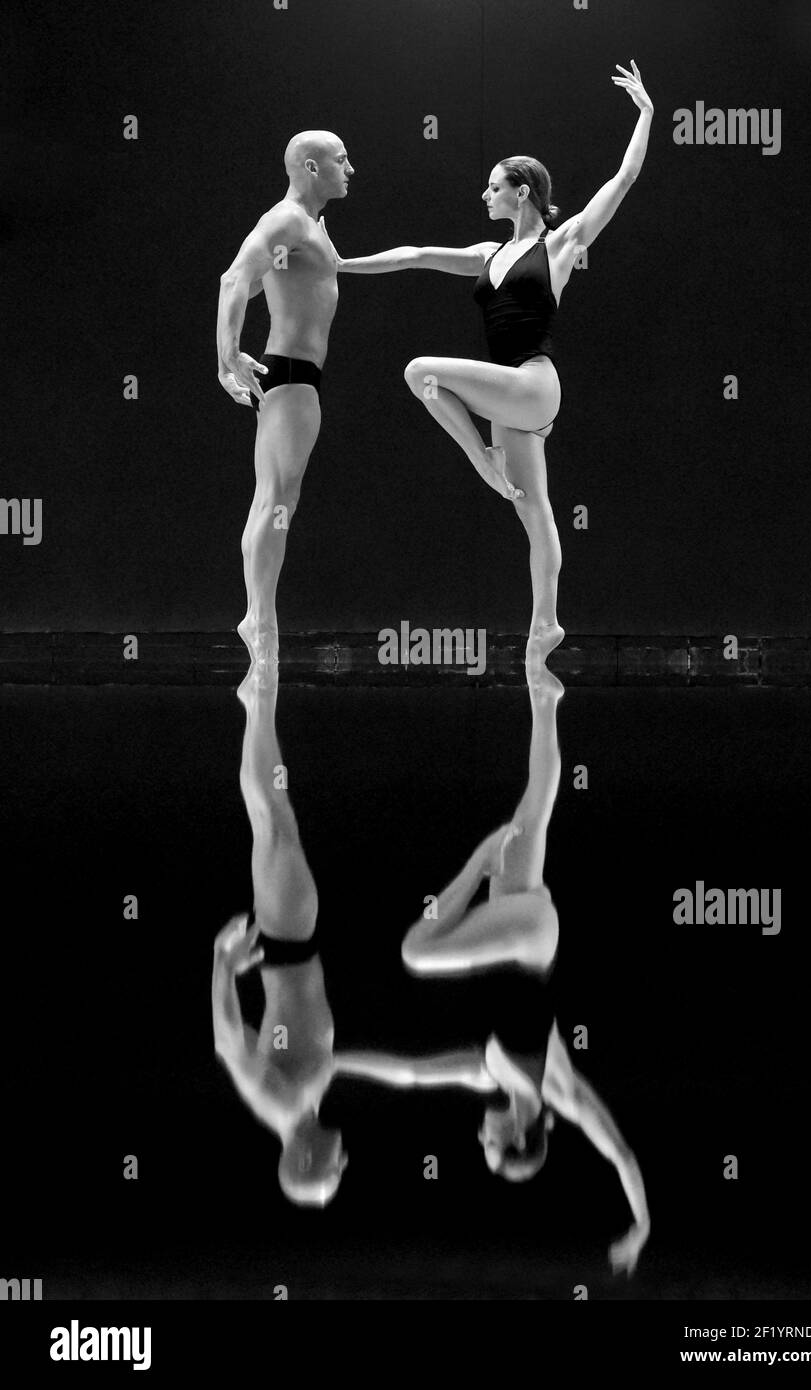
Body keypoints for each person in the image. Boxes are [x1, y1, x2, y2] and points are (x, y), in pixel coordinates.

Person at [336, 667, 651, 1275]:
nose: (478, 1137)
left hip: (524, 931)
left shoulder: (487, 1076)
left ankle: (545, 683)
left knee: (537, 799)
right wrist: (640, 1228)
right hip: (529, 941)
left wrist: (334, 1063)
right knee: (416, 953)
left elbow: (408, 1076)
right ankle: (480, 859)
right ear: (519, 1134)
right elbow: (624, 1157)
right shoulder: (558, 1090)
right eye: (489, 1144)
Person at [338, 61, 653, 664]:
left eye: (493, 186)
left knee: (419, 371)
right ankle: (545, 628)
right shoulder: (489, 252)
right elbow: (417, 254)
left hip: (533, 384)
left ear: (522, 191)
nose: (485, 194)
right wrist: (344, 265)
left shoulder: (558, 244)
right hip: (509, 395)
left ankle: (482, 459)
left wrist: (645, 114)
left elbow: (625, 176)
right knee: (535, 513)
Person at [217, 131, 355, 667]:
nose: (352, 168)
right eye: (342, 160)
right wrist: (227, 355)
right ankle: (259, 619)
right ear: (312, 168)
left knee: (278, 499)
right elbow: (234, 276)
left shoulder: (309, 228)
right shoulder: (290, 219)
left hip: (296, 377)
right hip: (290, 376)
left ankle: (259, 617)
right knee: (275, 498)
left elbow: (254, 284)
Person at [211, 665, 347, 1205]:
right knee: (270, 815)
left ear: (308, 1160)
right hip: (290, 940)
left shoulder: (284, 1107)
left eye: (335, 1171)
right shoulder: (296, 1108)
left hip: (286, 937)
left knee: (271, 813)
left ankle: (259, 687)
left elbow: (229, 1045)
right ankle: (257, 692)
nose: (345, 1160)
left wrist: (221, 964)